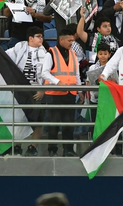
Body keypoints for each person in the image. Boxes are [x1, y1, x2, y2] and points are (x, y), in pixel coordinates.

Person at [5, 25, 50, 156]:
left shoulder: (46, 53)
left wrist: (42, 90)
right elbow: (4, 56)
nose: (41, 38)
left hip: (37, 90)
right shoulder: (19, 47)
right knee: (19, 119)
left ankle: (33, 147)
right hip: (21, 89)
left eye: (42, 36)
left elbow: (48, 73)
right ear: (31, 38)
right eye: (38, 36)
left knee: (37, 120)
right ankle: (17, 146)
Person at [42, 28, 84, 157]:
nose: (72, 42)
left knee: (69, 124)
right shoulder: (50, 53)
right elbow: (44, 73)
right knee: (53, 124)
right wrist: (57, 82)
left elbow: (76, 74)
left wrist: (80, 91)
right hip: (54, 94)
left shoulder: (73, 54)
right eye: (69, 40)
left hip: (70, 94)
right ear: (61, 40)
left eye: (73, 40)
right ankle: (52, 150)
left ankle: (68, 150)